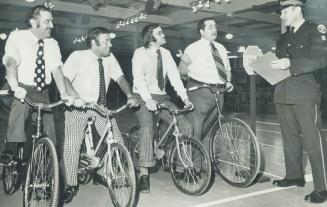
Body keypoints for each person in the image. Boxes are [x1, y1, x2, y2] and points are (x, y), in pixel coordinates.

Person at [61, 27, 138, 202]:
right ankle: (71, 184)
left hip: (99, 106)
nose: (110, 44)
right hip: (78, 106)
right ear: (94, 43)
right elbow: (64, 79)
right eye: (106, 41)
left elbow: (120, 78)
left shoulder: (110, 58)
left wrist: (130, 95)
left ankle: (101, 172)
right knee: (72, 145)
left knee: (116, 139)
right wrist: (76, 98)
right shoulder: (78, 56)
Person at [270, 0, 327, 203]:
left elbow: (322, 58)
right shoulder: (283, 37)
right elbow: (276, 63)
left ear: (297, 9)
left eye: (284, 10)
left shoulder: (315, 31)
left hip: (305, 92)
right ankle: (294, 175)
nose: (281, 15)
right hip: (283, 92)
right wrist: (258, 64)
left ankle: (323, 187)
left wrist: (291, 64)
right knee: (289, 137)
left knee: (313, 140)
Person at [0, 5, 71, 162]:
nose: (51, 25)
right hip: (20, 85)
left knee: (51, 128)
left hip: (42, 92)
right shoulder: (17, 37)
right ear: (33, 22)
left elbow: (57, 71)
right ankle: (10, 150)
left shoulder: (52, 44)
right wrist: (14, 86)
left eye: (52, 21)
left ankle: (43, 165)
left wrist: (64, 93)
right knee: (20, 106)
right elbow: (11, 62)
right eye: (47, 22)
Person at [132, 24, 193, 193]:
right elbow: (138, 78)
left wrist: (185, 98)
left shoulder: (165, 54)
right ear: (150, 37)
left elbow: (174, 78)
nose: (163, 34)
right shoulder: (140, 53)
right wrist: (148, 99)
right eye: (160, 33)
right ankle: (144, 175)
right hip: (142, 95)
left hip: (162, 96)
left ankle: (182, 168)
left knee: (185, 124)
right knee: (147, 128)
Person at [178, 18, 233, 140]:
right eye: (210, 27)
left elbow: (227, 70)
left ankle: (205, 158)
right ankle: (190, 157)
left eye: (215, 26)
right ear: (202, 31)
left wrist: (228, 81)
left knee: (211, 128)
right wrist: (184, 63)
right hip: (199, 92)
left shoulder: (221, 48)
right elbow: (181, 73)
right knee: (196, 128)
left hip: (219, 93)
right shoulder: (192, 48)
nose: (214, 29)